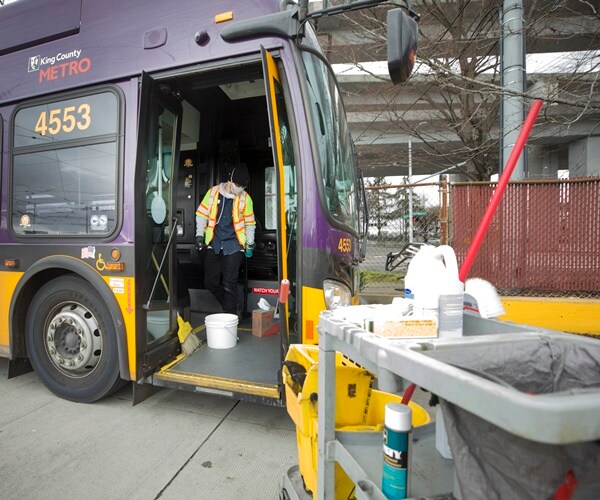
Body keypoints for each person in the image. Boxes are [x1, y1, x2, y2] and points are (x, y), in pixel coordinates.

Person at [195, 164, 255, 315]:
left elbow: (250, 223)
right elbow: (201, 214)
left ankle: (230, 319)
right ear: (230, 180)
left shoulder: (246, 199)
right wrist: (199, 235)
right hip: (214, 243)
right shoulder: (213, 192)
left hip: (234, 245)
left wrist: (250, 242)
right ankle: (232, 307)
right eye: (238, 185)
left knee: (229, 284)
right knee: (210, 282)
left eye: (243, 186)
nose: (240, 188)